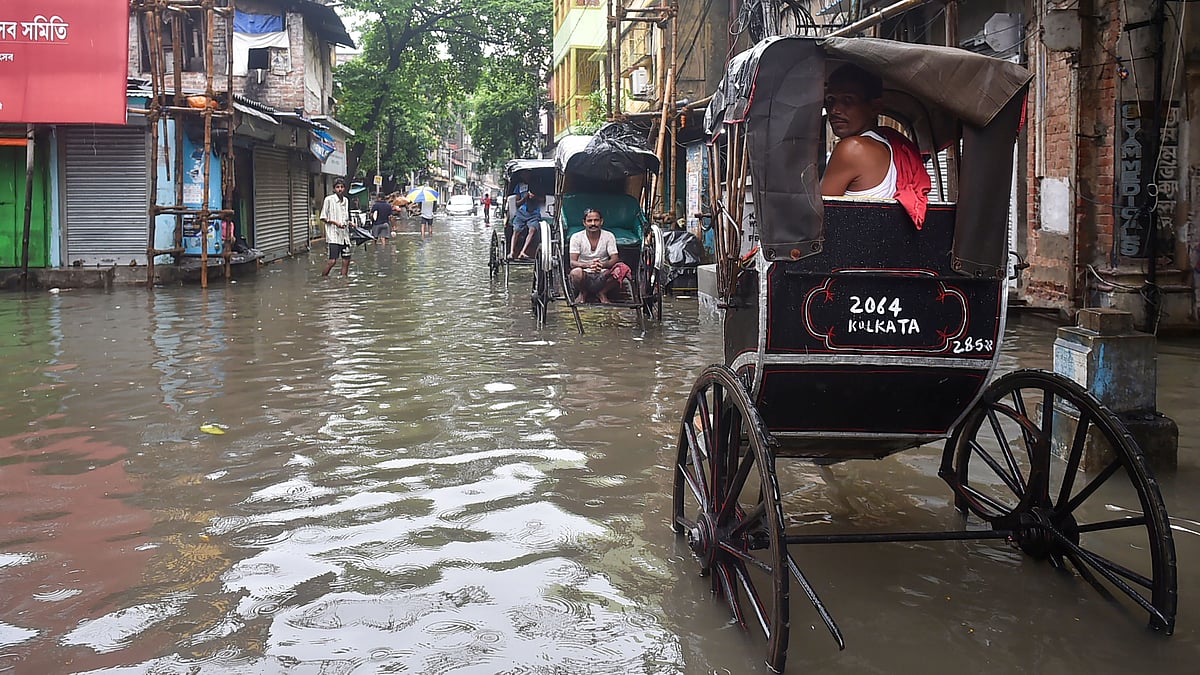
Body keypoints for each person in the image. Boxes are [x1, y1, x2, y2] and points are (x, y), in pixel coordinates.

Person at [820, 63, 932, 227]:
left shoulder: (852, 149)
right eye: (831, 100)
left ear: (875, 107)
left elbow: (815, 218)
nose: (835, 110)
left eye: (848, 100)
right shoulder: (888, 146)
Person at [568, 208, 630, 304]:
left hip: (603, 272)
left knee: (623, 269)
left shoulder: (609, 236)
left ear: (601, 221)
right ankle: (583, 292)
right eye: (589, 221)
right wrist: (588, 265)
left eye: (596, 220)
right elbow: (572, 262)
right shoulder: (576, 237)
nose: (593, 223)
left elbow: (615, 258)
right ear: (584, 223)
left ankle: (602, 292)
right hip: (584, 272)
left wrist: (602, 265)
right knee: (576, 273)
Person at [320, 177, 351, 277]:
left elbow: (345, 217)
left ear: (344, 188)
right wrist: (335, 223)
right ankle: (323, 278)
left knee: (346, 261)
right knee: (332, 261)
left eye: (342, 187)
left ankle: (344, 282)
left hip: (345, 236)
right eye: (337, 187)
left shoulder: (346, 201)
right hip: (334, 236)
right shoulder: (329, 200)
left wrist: (350, 223)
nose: (340, 189)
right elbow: (323, 217)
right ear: (334, 189)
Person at [508, 178, 544, 259]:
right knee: (516, 230)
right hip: (522, 212)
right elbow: (517, 203)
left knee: (532, 230)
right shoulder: (519, 186)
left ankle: (522, 252)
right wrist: (525, 198)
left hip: (534, 213)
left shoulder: (537, 186)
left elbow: (544, 199)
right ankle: (511, 252)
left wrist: (535, 197)